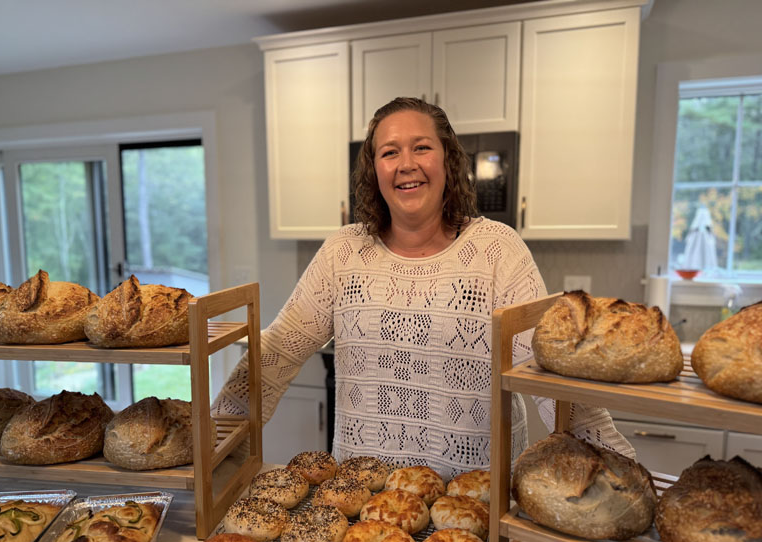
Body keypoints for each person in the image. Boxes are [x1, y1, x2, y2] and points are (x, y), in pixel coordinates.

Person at [212, 97, 633, 479]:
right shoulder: (343, 252)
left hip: (476, 499)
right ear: (373, 170)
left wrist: (620, 470)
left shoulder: (497, 250)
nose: (406, 163)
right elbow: (278, 351)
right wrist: (216, 438)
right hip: (363, 496)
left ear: (447, 160)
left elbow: (548, 371)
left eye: (422, 147)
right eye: (389, 152)